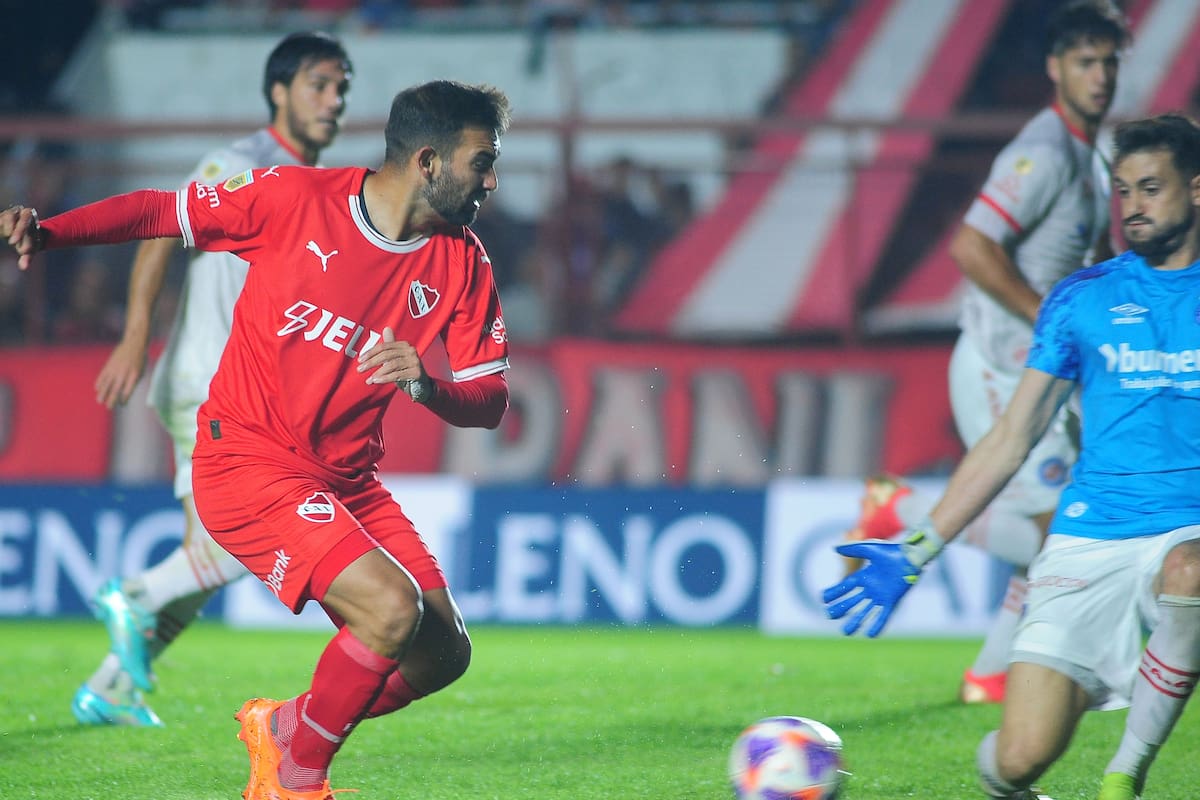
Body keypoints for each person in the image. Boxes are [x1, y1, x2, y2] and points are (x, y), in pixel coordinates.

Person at [4, 78, 513, 800]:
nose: (492, 179)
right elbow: (160, 211)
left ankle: (287, 732)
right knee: (390, 610)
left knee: (443, 654)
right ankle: (294, 781)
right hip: (246, 461)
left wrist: (429, 388)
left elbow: (490, 402)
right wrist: (49, 231)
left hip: (347, 480)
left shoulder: (465, 263)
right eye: (481, 160)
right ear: (428, 161)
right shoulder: (294, 199)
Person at [825, 113, 1200, 800]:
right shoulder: (1083, 299)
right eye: (1123, 192)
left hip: (1187, 531)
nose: (1133, 209)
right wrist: (919, 547)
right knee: (1019, 757)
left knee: (1191, 569)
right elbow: (1011, 436)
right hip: (1091, 535)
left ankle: (1124, 776)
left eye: (1151, 189)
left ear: (1198, 190)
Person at [842, 0, 1129, 705]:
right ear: (1055, 68)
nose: (1100, 75)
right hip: (1003, 365)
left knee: (1056, 530)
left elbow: (1090, 262)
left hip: (1043, 368)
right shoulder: (1044, 150)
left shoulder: (1093, 157)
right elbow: (971, 246)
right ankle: (898, 508)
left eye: (1109, 61)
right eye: (1086, 61)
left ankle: (990, 676)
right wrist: (1049, 318)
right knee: (1050, 534)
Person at [72, 31, 354, 728]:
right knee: (240, 548)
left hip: (240, 393)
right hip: (208, 382)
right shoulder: (241, 162)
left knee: (207, 562)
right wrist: (136, 334)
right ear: (279, 90)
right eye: (319, 83)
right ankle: (133, 593)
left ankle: (107, 688)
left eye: (342, 86)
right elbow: (165, 227)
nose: (334, 99)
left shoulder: (316, 184)